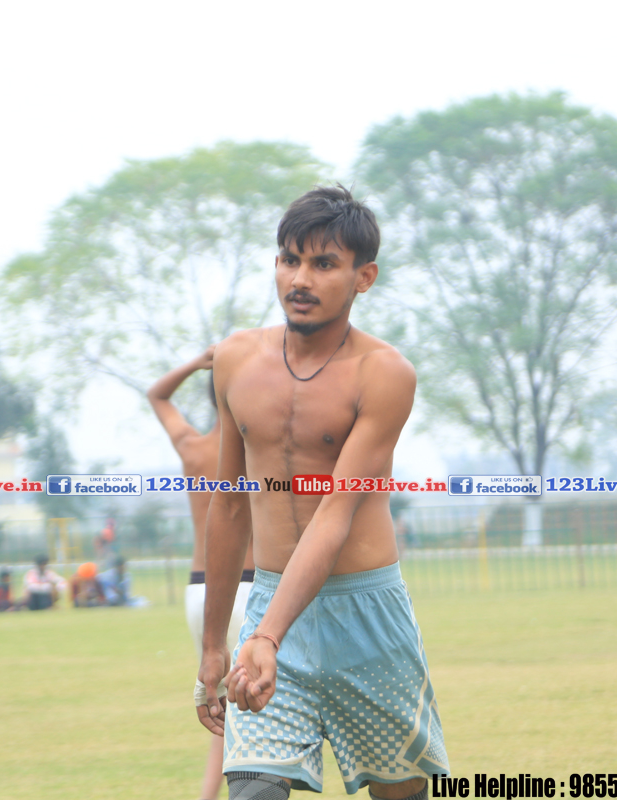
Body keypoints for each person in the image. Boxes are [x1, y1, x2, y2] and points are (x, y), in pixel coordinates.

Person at [196, 185, 448, 799]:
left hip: (368, 618)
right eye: (290, 259)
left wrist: (266, 636)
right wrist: (213, 645)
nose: (300, 279)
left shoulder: (384, 374)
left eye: (323, 263)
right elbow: (229, 504)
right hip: (269, 603)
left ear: (364, 277)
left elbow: (335, 514)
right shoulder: (234, 360)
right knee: (254, 790)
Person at [149, 345, 257, 800]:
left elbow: (157, 396)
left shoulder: (192, 449)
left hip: (200, 592)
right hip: (250, 586)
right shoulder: (259, 454)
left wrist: (197, 363)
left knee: (222, 710)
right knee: (258, 708)